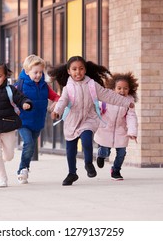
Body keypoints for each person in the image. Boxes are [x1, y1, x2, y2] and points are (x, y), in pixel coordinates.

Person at [48, 56, 135, 186]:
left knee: (87, 138)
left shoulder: (92, 85)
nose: (78, 72)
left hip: (88, 119)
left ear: (85, 70)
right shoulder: (68, 88)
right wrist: (57, 112)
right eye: (74, 69)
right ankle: (72, 173)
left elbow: (109, 95)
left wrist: (127, 102)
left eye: (81, 68)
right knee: (70, 150)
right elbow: (62, 101)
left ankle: (88, 163)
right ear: (69, 71)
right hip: (72, 121)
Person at [15, 54, 60, 184]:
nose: (38, 75)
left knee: (31, 147)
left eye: (41, 72)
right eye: (35, 72)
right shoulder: (20, 85)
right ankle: (22, 169)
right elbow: (12, 100)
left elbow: (55, 97)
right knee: (28, 143)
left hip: (38, 122)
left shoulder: (44, 86)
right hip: (23, 121)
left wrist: (56, 103)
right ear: (27, 71)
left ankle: (25, 168)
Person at [94, 72, 138, 181]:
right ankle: (101, 155)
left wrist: (132, 131)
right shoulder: (106, 98)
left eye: (125, 88)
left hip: (120, 131)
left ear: (130, 89)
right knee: (105, 151)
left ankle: (116, 170)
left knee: (121, 153)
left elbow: (131, 117)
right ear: (113, 88)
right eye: (119, 88)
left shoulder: (129, 101)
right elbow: (97, 108)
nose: (122, 91)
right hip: (105, 129)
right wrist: (98, 110)